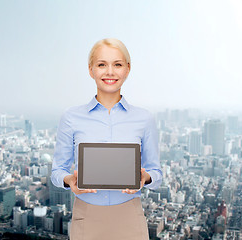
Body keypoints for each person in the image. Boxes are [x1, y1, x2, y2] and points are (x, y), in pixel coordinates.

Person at [51, 38, 162, 240]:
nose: (110, 72)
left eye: (117, 64)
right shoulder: (71, 117)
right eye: (102, 64)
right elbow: (57, 171)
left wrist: (145, 177)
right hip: (86, 217)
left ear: (127, 69)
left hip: (130, 217)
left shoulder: (144, 119)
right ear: (91, 69)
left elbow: (157, 174)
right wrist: (69, 181)